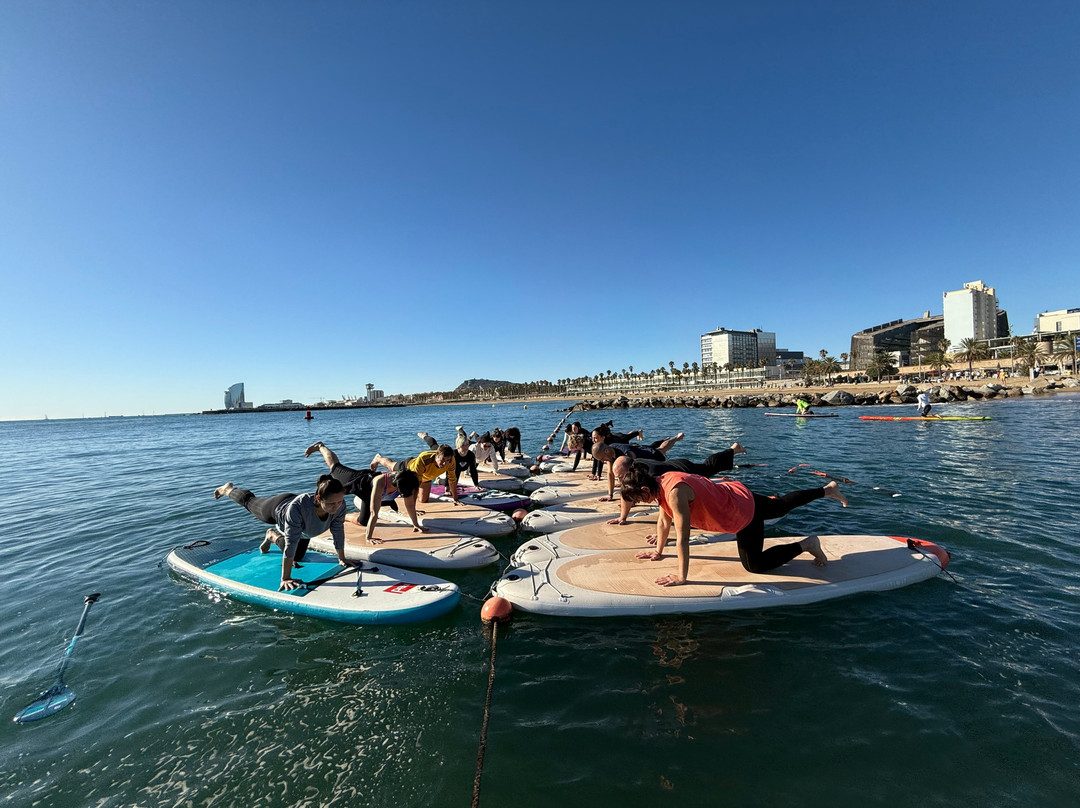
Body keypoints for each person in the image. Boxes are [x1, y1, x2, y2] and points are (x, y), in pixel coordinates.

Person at [618, 466, 848, 587]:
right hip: (734, 496)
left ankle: (807, 543)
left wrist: (681, 576)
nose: (639, 503)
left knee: (755, 565)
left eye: (638, 499)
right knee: (779, 506)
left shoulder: (674, 492)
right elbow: (663, 520)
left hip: (741, 512)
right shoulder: (660, 484)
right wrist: (658, 551)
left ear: (645, 490)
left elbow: (683, 537)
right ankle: (827, 490)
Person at [212, 476, 348, 591]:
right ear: (318, 499)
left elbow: (338, 531)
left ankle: (272, 536)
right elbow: (291, 543)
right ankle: (227, 489)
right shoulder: (298, 509)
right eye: (331, 504)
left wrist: (342, 558)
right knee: (250, 502)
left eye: (339, 502)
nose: (336, 507)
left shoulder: (339, 506)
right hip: (277, 508)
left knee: (298, 557)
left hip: (304, 529)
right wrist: (286, 578)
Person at [305, 441, 424, 540]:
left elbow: (410, 505)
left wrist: (416, 524)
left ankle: (344, 517)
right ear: (398, 487)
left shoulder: (408, 480)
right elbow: (374, 512)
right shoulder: (380, 483)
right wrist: (369, 537)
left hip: (367, 495)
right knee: (335, 466)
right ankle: (320, 446)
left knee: (363, 522)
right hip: (357, 482)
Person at [604, 442, 748, 524]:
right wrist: (622, 518)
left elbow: (668, 503)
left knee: (708, 468)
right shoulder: (632, 473)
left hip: (684, 469)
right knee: (707, 469)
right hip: (671, 466)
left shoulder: (649, 475)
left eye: (621, 477)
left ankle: (733, 449)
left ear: (630, 469)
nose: (619, 481)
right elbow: (626, 494)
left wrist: (662, 533)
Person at [592, 432, 686, 499]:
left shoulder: (624, 453)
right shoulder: (609, 454)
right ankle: (671, 439)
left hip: (650, 456)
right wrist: (610, 495)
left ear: (606, 451)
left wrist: (631, 500)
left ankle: (675, 438)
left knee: (662, 449)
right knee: (658, 447)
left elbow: (633, 478)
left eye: (602, 459)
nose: (603, 461)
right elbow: (610, 474)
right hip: (639, 450)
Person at [370, 445, 461, 507]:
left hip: (426, 477)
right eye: (442, 460)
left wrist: (455, 499)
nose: (445, 463)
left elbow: (452, 480)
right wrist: (413, 508)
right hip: (409, 469)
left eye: (447, 460)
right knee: (390, 465)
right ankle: (378, 458)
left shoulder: (451, 460)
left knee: (423, 500)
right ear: (436, 455)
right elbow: (415, 485)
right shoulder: (424, 458)